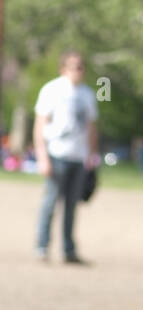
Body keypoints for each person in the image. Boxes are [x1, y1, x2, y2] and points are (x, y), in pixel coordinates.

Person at [33, 50, 100, 264]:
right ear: (63, 69)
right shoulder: (52, 90)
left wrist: (91, 155)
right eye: (74, 66)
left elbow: (91, 127)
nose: (79, 70)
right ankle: (42, 247)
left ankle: (68, 250)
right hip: (57, 155)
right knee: (50, 203)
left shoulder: (88, 94)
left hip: (78, 157)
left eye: (81, 66)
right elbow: (40, 125)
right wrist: (42, 157)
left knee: (72, 206)